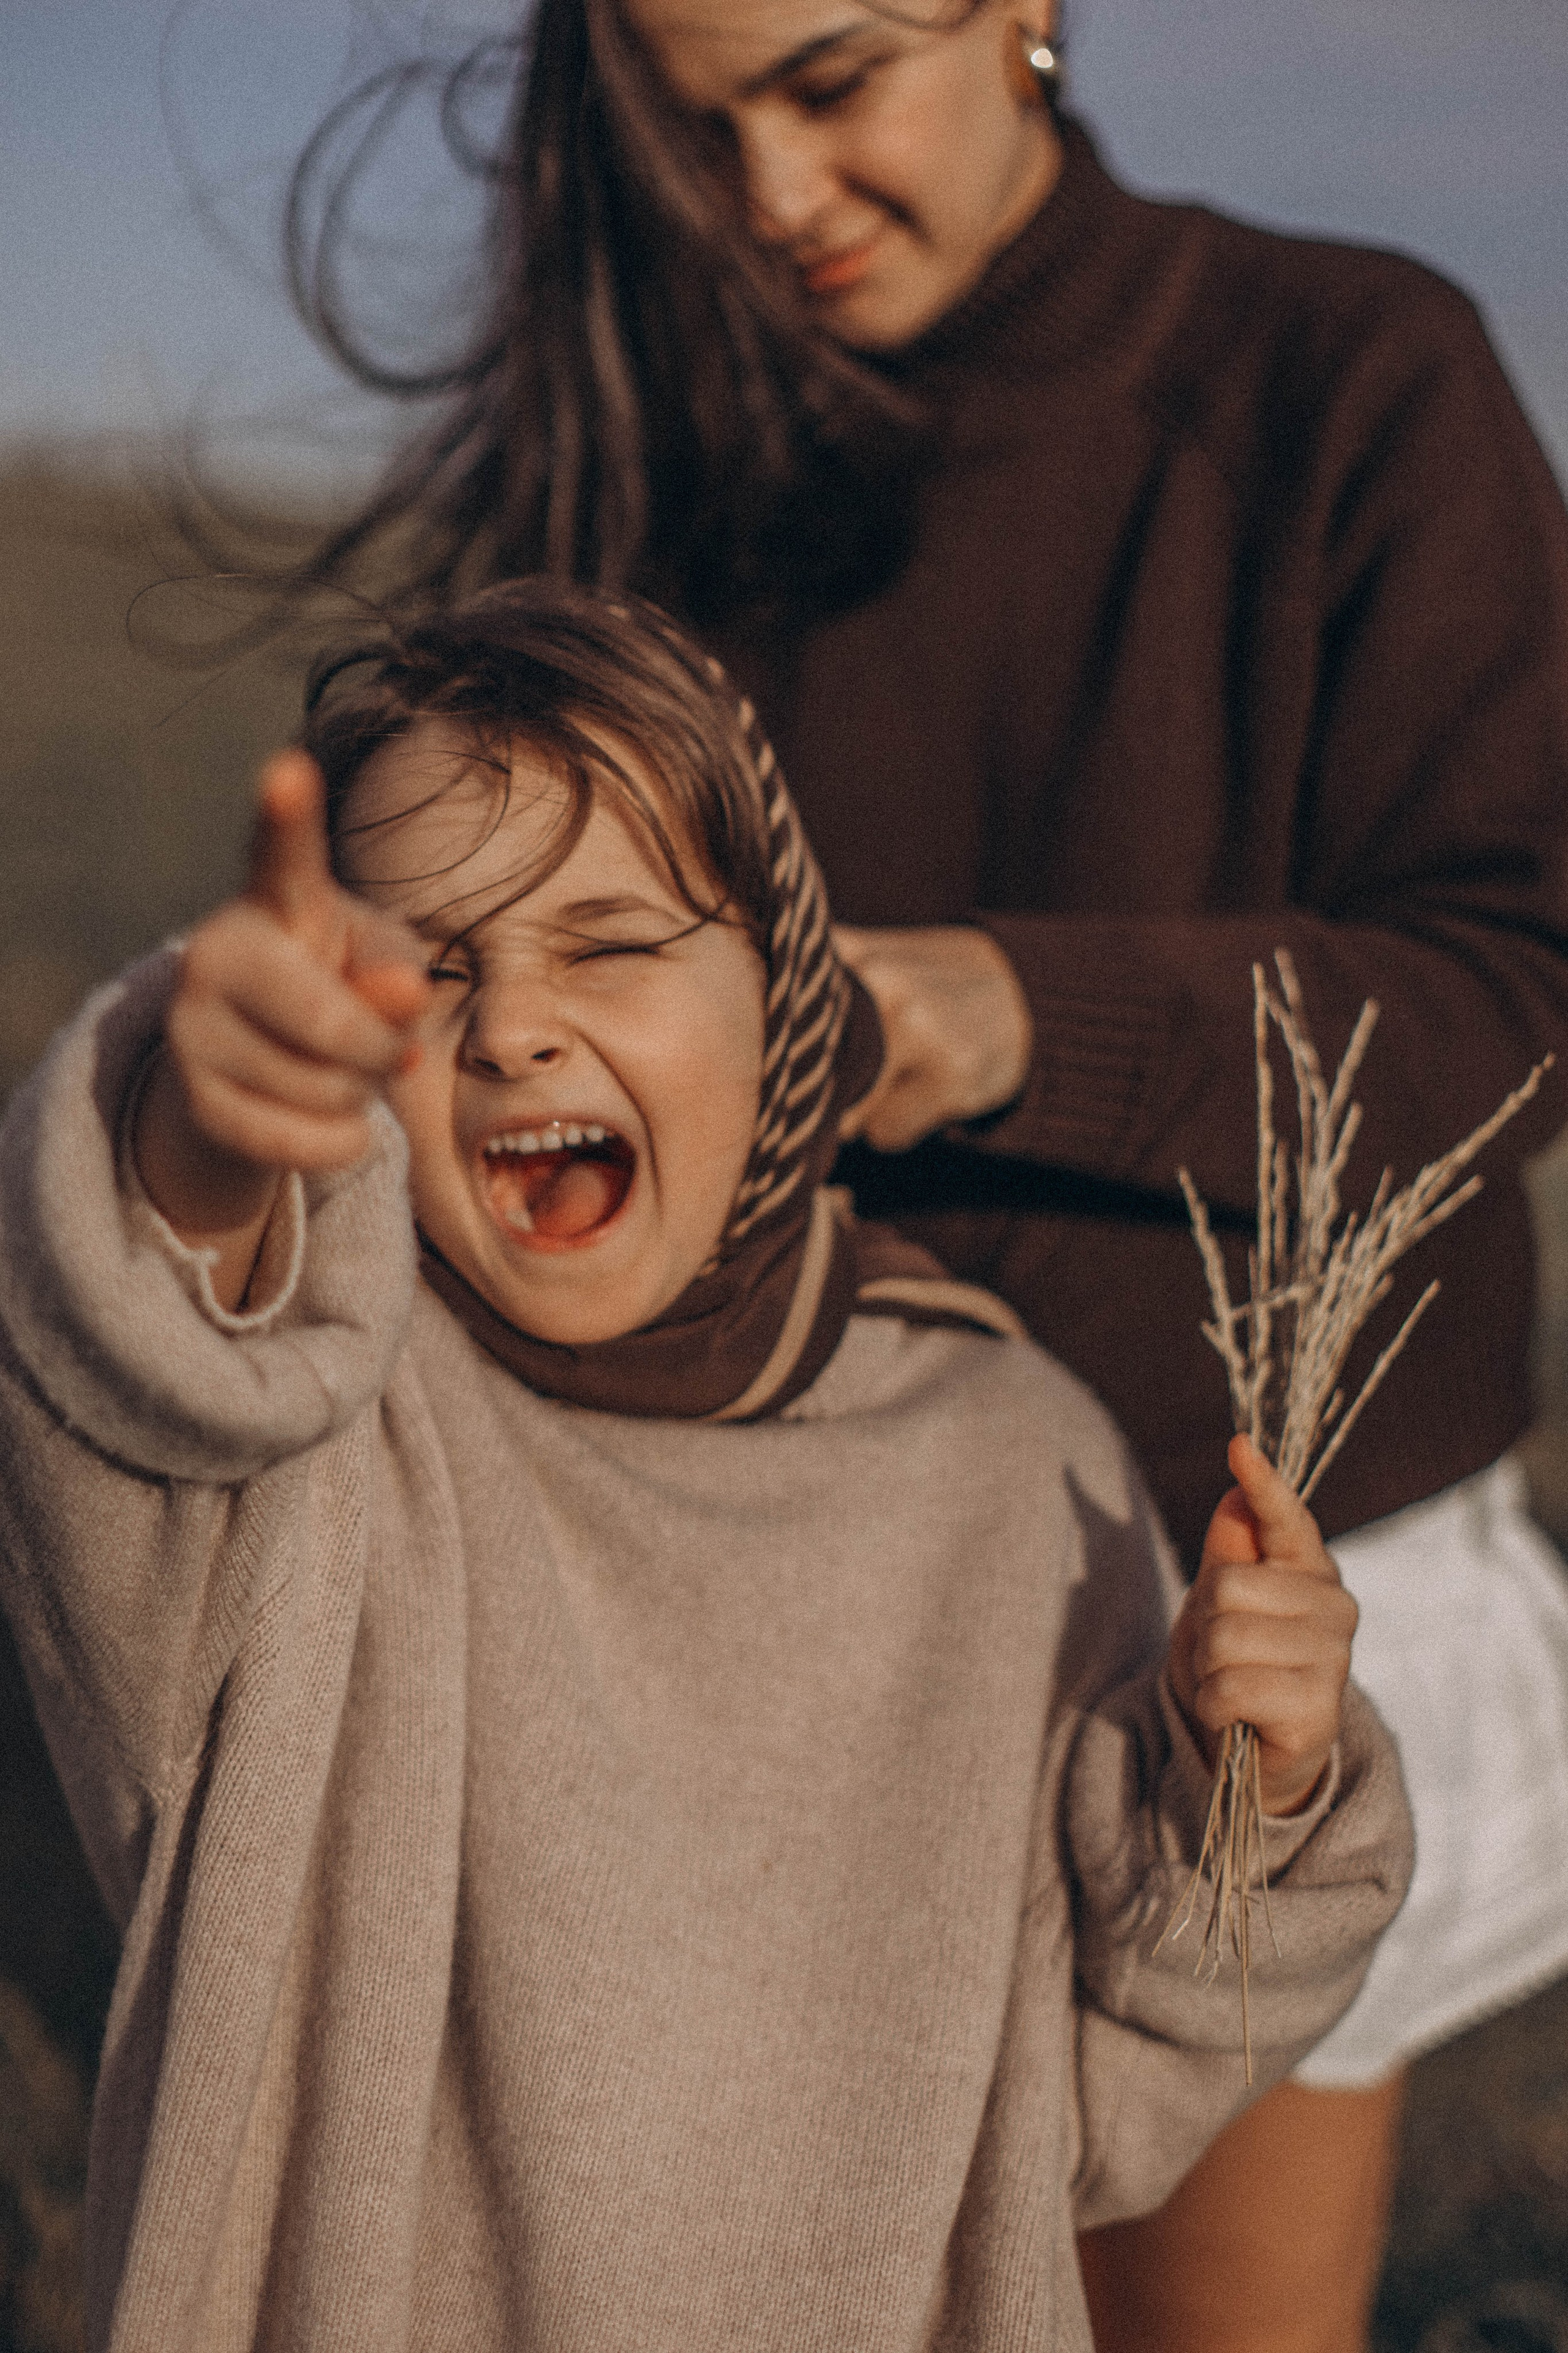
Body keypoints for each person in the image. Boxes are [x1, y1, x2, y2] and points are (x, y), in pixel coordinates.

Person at [269, 2, 1568, 2343]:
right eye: (689, 129)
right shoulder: (648, 479)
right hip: (756, 1627)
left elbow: (1516, 984)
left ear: (1027, 8)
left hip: (1254, 1586)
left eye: (833, 77)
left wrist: (993, 1020)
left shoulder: (1351, 376)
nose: (768, 198)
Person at [0, 581, 1408, 2351]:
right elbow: (137, 1364)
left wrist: (1250, 1803)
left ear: (788, 996)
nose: (510, 1023)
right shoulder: (307, 1446)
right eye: (427, 965)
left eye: (606, 940)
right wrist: (198, 1143)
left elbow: (1107, 2116)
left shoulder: (1007, 1470)